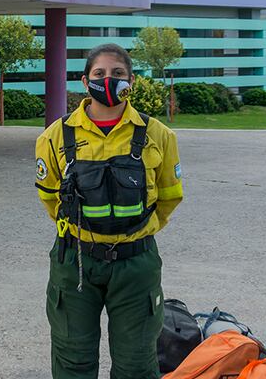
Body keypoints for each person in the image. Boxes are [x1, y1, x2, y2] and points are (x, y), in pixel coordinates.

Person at [35, 43, 184, 379]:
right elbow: (50, 198)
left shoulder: (158, 135)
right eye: (99, 74)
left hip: (136, 265)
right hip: (75, 263)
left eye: (117, 74)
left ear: (131, 80)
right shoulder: (55, 136)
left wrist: (134, 235)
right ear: (85, 81)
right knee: (73, 362)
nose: (108, 80)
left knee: (136, 365)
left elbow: (170, 196)